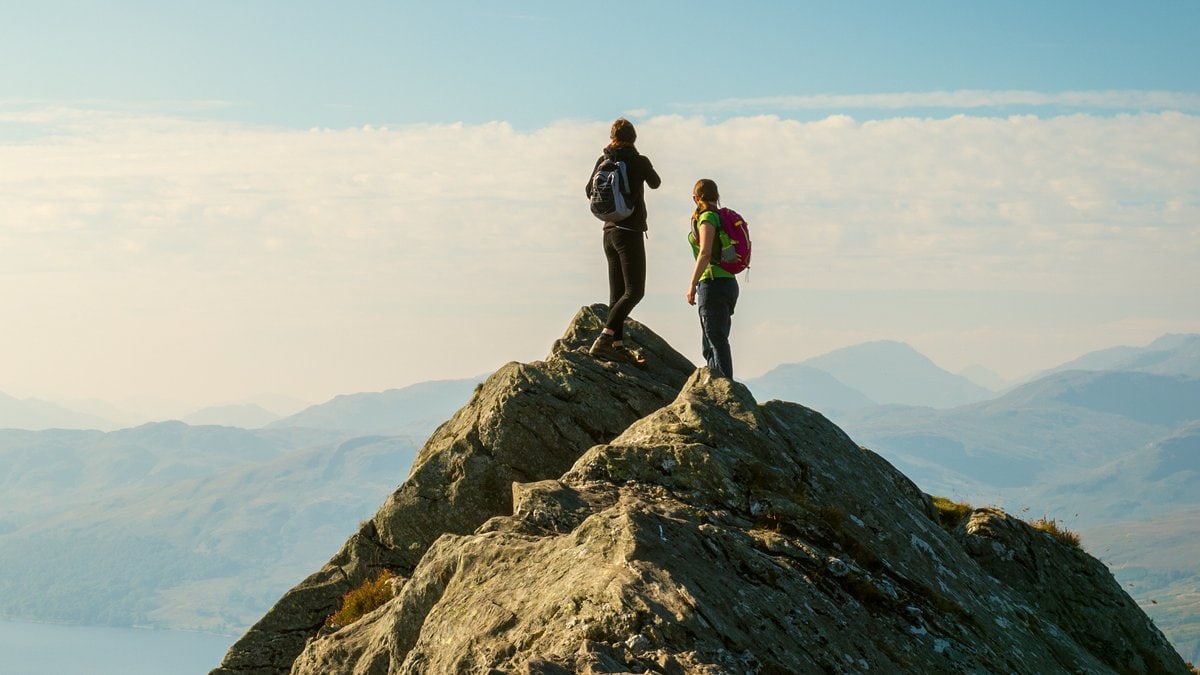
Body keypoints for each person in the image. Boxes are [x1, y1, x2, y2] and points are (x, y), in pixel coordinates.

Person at [585, 118, 661, 365]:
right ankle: (605, 339)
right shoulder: (638, 161)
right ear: (634, 137)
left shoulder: (603, 160)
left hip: (608, 232)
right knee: (635, 291)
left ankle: (617, 346)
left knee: (617, 293)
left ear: (612, 136)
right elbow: (656, 182)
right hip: (629, 232)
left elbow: (588, 190)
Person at [686, 178, 739, 379]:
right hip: (728, 283)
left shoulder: (707, 217)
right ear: (716, 196)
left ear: (696, 198)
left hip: (713, 283)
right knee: (712, 341)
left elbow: (705, 252)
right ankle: (718, 383)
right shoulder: (721, 217)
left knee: (715, 340)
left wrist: (692, 284)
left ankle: (726, 386)